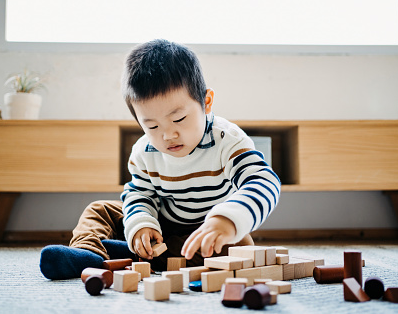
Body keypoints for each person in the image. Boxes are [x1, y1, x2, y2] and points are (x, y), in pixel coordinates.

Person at [40, 39, 281, 280]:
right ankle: (88, 254)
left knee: (237, 249)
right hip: (162, 224)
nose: (168, 135)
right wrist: (141, 225)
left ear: (206, 102)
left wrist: (227, 219)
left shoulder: (228, 141)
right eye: (152, 126)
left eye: (179, 119)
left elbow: (264, 181)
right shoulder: (144, 151)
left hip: (206, 232)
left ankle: (125, 255)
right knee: (99, 209)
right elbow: (141, 195)